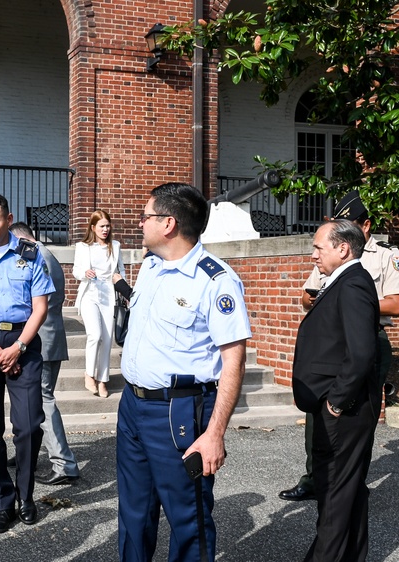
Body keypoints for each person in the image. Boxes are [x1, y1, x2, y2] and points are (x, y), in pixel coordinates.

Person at [118, 183, 251, 562]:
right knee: (133, 515)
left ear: (168, 224)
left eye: (146, 216)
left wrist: (214, 434)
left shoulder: (215, 281)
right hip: (133, 405)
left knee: (187, 518)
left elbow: (233, 360)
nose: (140, 223)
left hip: (178, 412)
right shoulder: (151, 266)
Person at [279, 189, 399, 503]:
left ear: (365, 225)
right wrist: (319, 299)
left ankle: (352, 482)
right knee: (317, 414)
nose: (343, 227)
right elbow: (306, 294)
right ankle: (315, 478)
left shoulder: (385, 256)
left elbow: (396, 305)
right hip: (330, 342)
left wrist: (350, 301)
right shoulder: (329, 251)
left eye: (349, 222)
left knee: (356, 415)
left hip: (366, 339)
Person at [292, 219, 380, 562]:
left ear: (343, 249)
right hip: (339, 407)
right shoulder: (343, 280)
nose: (313, 254)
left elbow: (361, 353)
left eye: (319, 247)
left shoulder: (354, 283)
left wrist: (336, 404)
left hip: (345, 411)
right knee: (349, 491)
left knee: (335, 495)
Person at [0, 194, 52, 533]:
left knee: (29, 424)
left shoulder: (29, 254)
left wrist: (17, 348)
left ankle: (26, 496)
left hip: (23, 341)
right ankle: (2, 503)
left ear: (9, 218)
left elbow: (40, 307)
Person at [10, 221, 81, 486]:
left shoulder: (33, 254)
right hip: (49, 336)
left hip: (42, 338)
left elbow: (31, 300)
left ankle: (64, 464)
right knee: (35, 398)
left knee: (42, 398)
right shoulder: (46, 253)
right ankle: (27, 453)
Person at [73, 210, 125, 398]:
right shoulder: (83, 246)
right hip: (90, 294)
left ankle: (103, 380)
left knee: (107, 338)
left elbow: (121, 270)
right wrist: (84, 273)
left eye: (107, 226)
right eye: (101, 226)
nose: (105, 229)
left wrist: (124, 290)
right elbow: (76, 270)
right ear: (93, 228)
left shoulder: (115, 246)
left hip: (108, 295)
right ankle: (89, 374)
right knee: (95, 335)